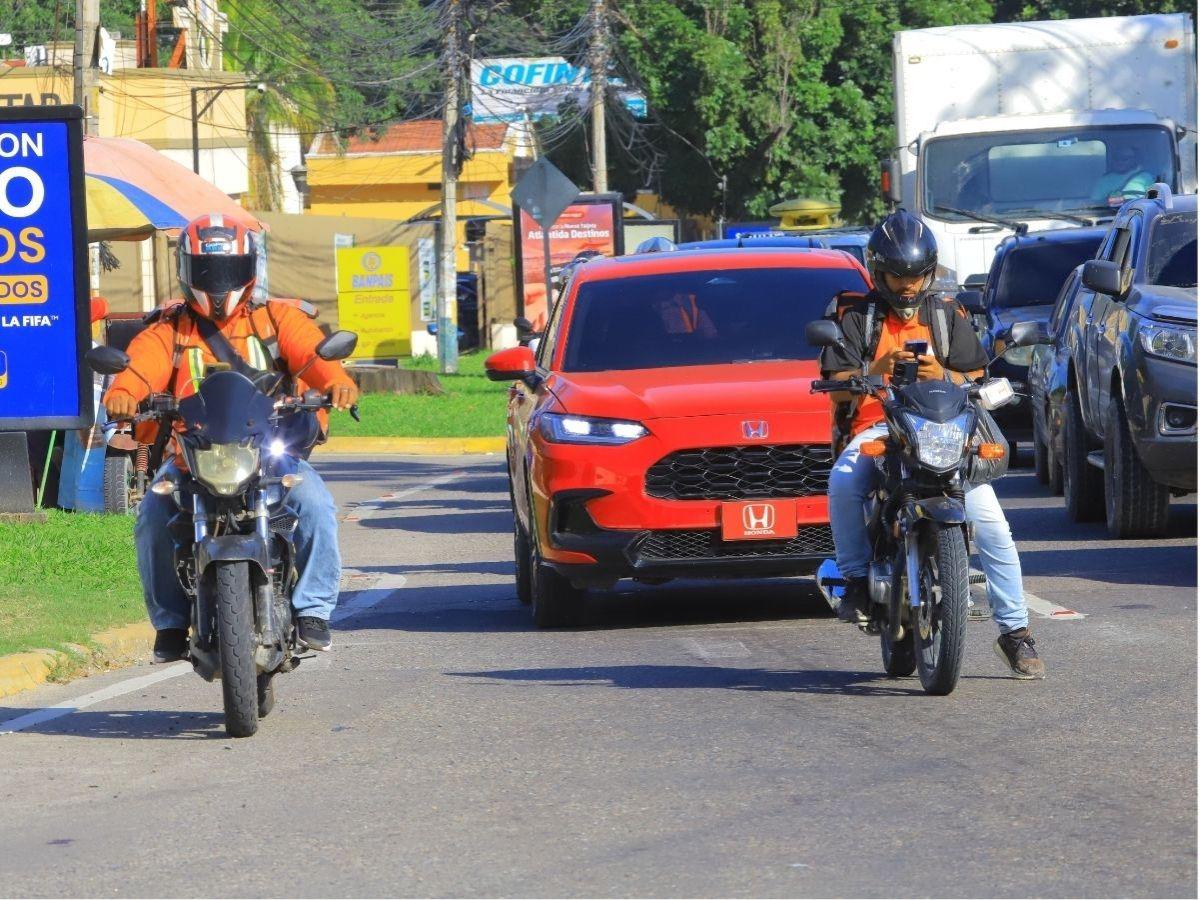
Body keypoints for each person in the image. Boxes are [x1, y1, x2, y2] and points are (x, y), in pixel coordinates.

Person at [102, 214, 359, 663]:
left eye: (228, 270)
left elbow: (314, 359)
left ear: (250, 268)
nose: (218, 283)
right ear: (187, 270)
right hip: (192, 456)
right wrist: (123, 393)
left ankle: (313, 610)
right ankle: (170, 622)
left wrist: (336, 382)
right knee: (151, 518)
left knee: (315, 503)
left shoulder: (278, 320)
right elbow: (138, 369)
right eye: (207, 271)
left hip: (269, 455)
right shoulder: (170, 330)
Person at [819, 209, 1045, 679]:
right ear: (876, 271)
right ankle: (856, 580)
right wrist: (877, 372)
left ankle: (1016, 632)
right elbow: (835, 383)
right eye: (896, 276)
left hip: (947, 435)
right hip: (880, 429)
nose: (907, 286)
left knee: (994, 526)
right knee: (843, 482)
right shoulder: (854, 316)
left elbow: (980, 376)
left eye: (916, 276)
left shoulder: (948, 315)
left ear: (930, 272)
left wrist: (940, 374)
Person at [1090, 142, 1155, 206]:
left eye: (1124, 158)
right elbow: (1096, 204)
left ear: (1134, 159)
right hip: (1112, 214)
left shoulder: (1145, 177)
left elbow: (1154, 200)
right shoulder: (1105, 180)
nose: (1120, 161)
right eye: (1117, 158)